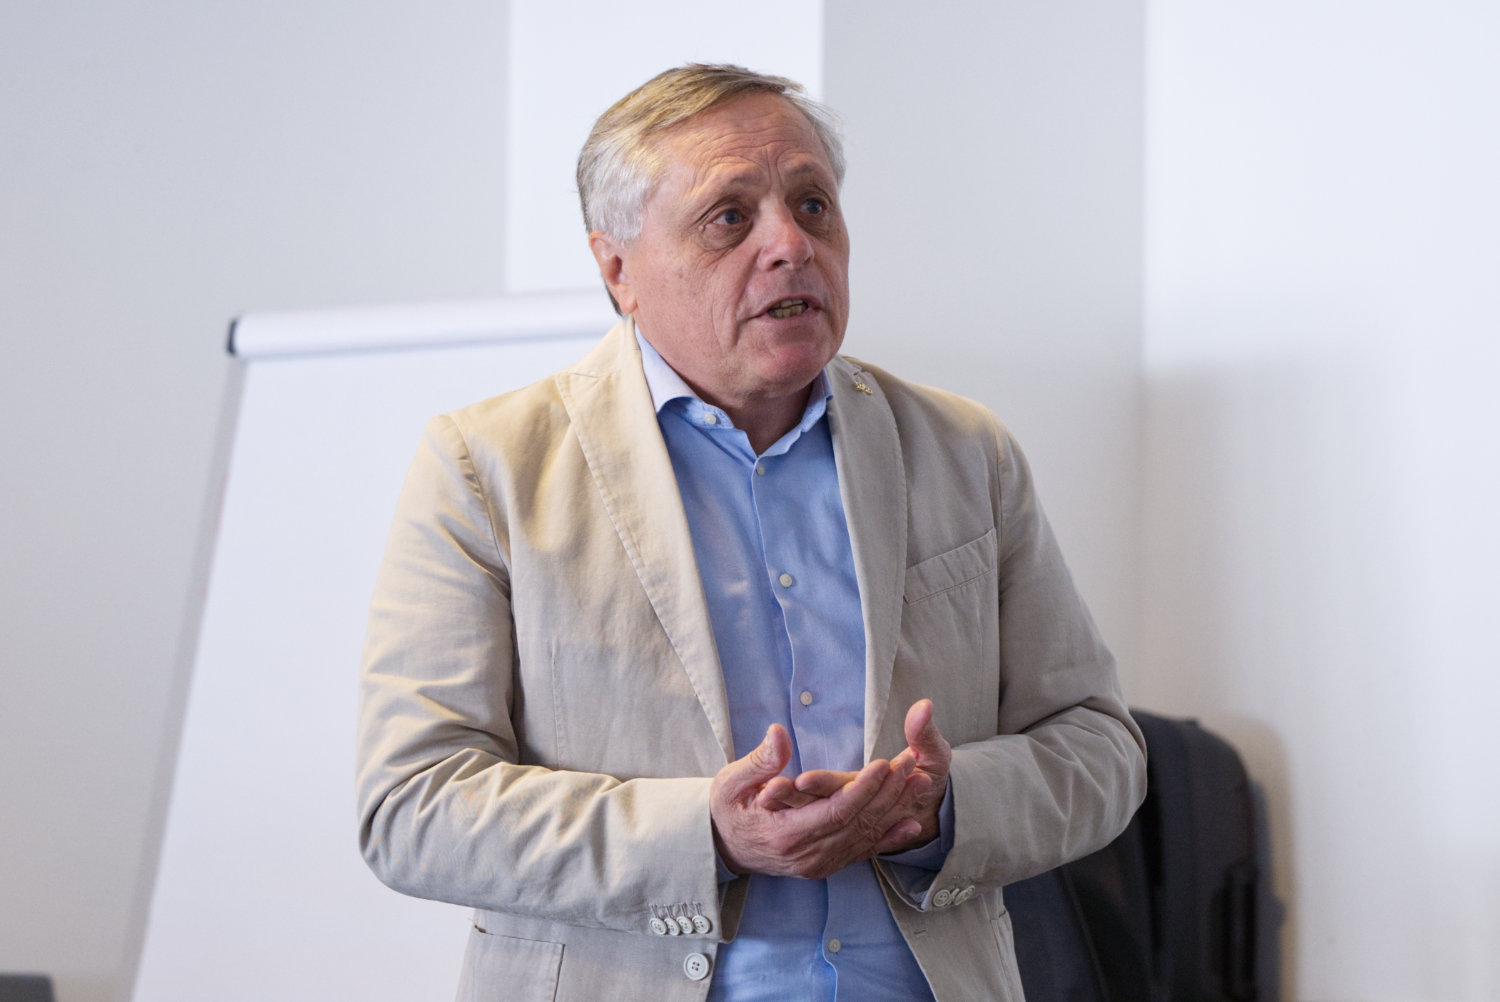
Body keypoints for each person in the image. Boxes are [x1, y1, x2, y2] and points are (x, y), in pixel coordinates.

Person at [356, 64, 1146, 1002]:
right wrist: (706, 837)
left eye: (813, 205)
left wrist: (944, 809)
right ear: (617, 270)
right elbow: (412, 806)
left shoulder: (964, 452)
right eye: (729, 217)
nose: (792, 245)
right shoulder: (488, 467)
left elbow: (1100, 748)